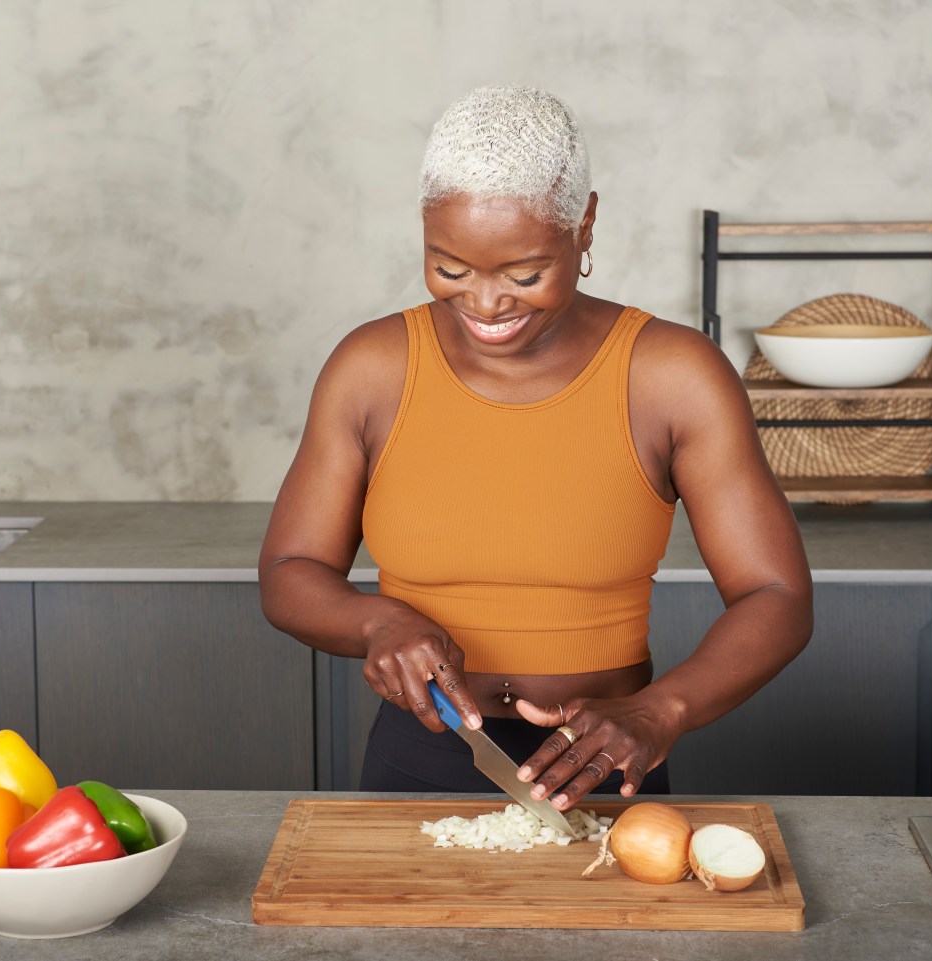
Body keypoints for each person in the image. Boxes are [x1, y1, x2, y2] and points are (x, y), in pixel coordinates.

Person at [259, 85, 812, 814]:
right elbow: (289, 571)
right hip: (417, 764)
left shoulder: (673, 376)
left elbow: (776, 595)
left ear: (584, 226)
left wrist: (661, 711)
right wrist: (377, 622)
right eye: (450, 268)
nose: (486, 304)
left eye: (524, 274)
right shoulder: (371, 369)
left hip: (607, 770)